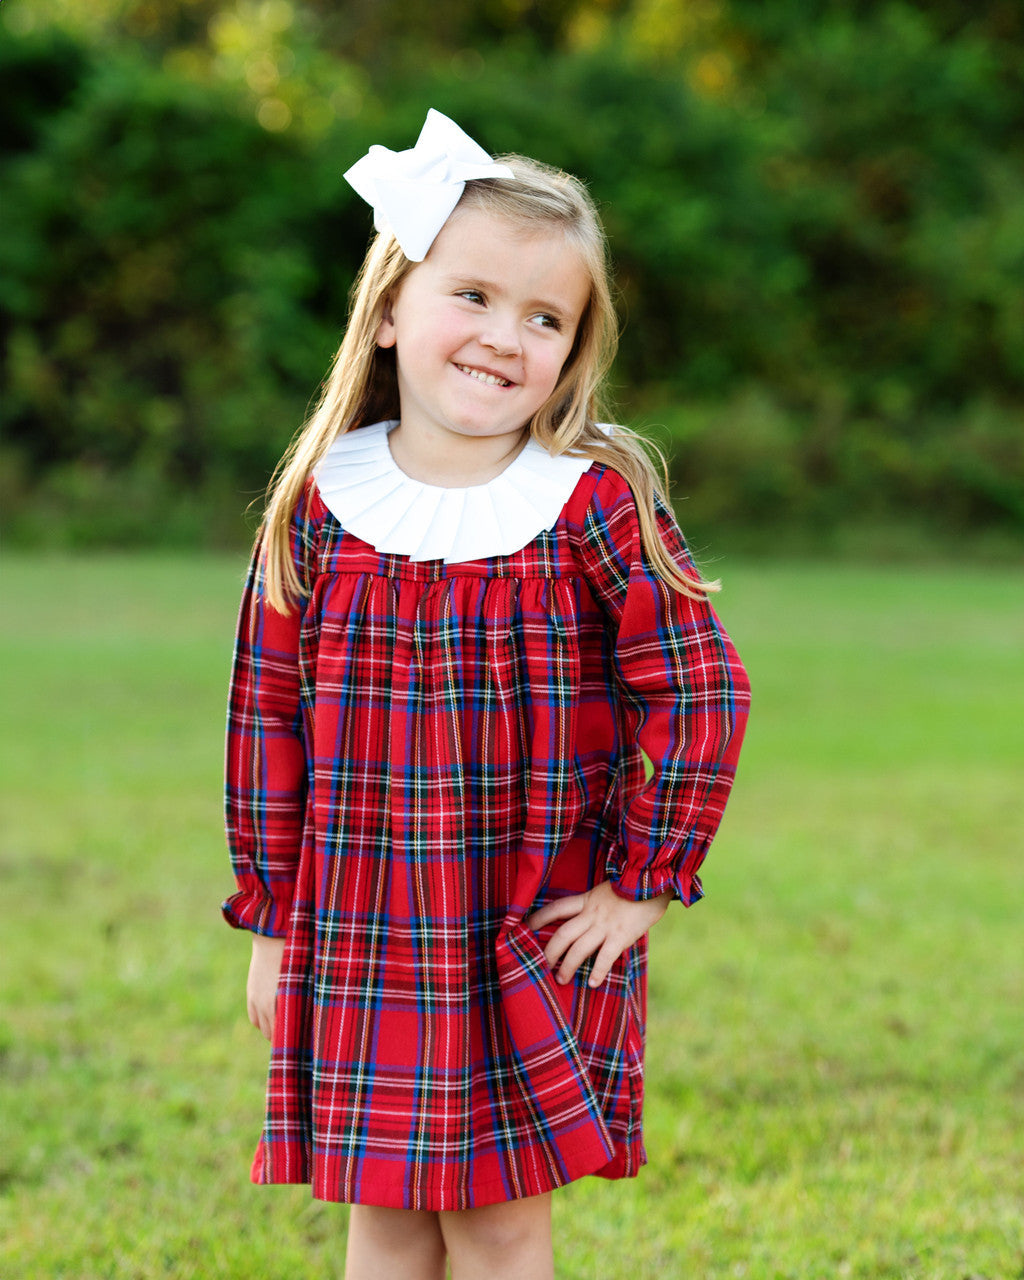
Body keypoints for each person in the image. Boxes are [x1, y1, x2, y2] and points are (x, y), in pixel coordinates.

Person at [223, 109, 750, 1280]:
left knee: (501, 1222)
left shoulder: (590, 498)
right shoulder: (320, 497)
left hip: (529, 923)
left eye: (544, 316)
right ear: (394, 306)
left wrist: (640, 882)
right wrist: (271, 918)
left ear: (576, 343)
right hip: (364, 927)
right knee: (387, 1218)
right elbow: (264, 720)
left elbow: (703, 689)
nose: (503, 337)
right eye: (471, 296)